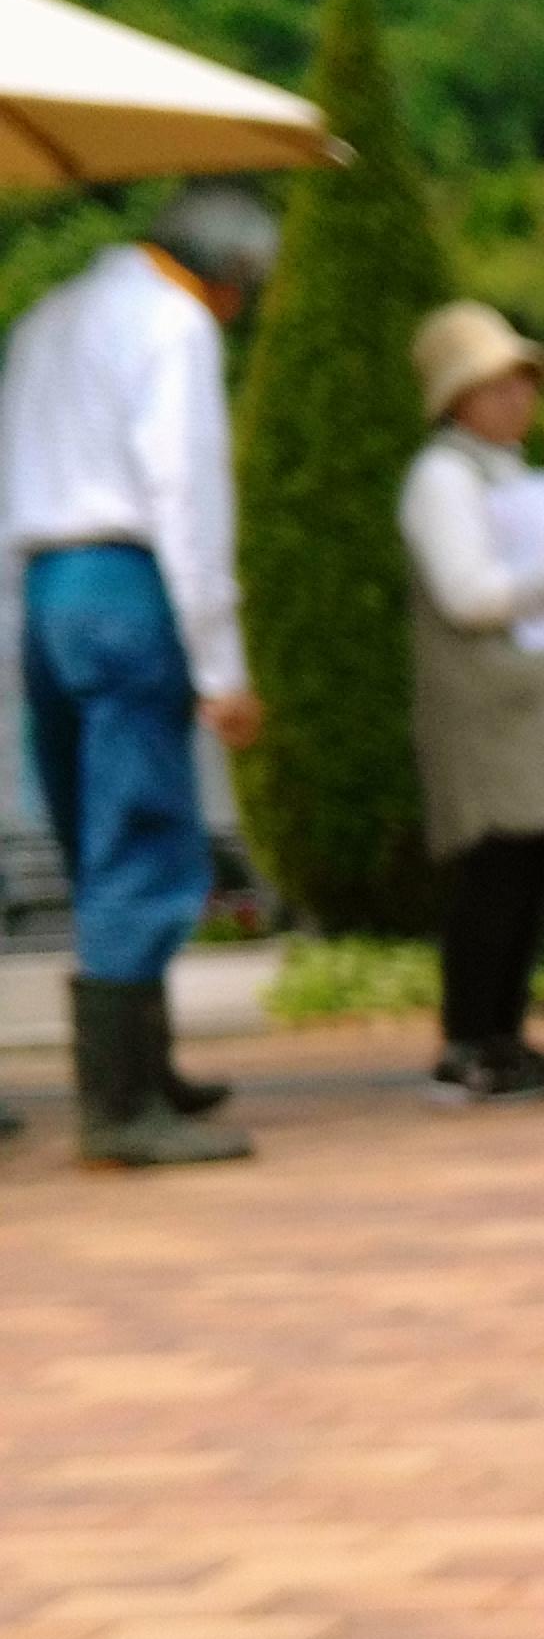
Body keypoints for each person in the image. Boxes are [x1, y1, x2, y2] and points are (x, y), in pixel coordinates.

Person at [0, 182, 275, 1166]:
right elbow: (187, 492)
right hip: (128, 584)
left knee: (90, 830)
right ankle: (119, 1105)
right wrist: (223, 663)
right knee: (143, 833)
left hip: (46, 589)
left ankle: (145, 1067)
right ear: (229, 272)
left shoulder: (47, 314)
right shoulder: (176, 323)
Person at [399, 301, 544, 1101]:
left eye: (520, 384)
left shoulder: (505, 471)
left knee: (530, 864)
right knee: (496, 865)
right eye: (494, 386)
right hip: (486, 707)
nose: (515, 399)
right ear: (455, 398)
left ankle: (503, 1034)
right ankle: (468, 1038)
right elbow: (467, 595)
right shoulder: (442, 477)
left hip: (528, 703)